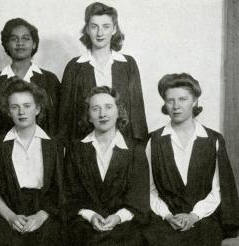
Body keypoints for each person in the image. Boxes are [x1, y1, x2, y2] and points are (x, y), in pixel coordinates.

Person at [143, 73, 239, 245]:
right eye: (170, 100)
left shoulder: (213, 140)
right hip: (164, 219)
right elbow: (149, 189)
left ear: (194, 101)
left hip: (202, 218)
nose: (176, 106)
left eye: (182, 99)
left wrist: (194, 216)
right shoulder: (153, 140)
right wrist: (167, 215)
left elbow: (218, 189)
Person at [64, 86, 149, 245]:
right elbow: (69, 196)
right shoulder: (75, 149)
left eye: (108, 107)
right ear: (89, 116)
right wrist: (91, 216)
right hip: (84, 226)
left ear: (119, 112)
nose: (102, 114)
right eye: (95, 109)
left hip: (124, 226)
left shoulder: (135, 150)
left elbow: (139, 199)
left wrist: (118, 218)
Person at [58, 2, 147, 144]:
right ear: (87, 29)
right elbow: (64, 119)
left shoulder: (128, 64)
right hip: (83, 147)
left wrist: (138, 149)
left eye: (106, 26)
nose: (100, 33)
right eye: (94, 27)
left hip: (123, 146)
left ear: (114, 29)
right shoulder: (74, 67)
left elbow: (137, 113)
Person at [0, 77, 62, 245]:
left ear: (37, 109)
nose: (21, 112)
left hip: (46, 211)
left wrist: (42, 216)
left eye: (27, 106)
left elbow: (61, 190)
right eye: (15, 107)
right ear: (8, 111)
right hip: (11, 210)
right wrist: (10, 217)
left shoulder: (54, 145)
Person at [0, 18, 61, 151]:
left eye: (26, 38)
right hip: (4, 155)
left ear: (34, 44)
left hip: (44, 153)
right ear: (7, 45)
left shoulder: (49, 80)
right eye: (14, 39)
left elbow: (58, 123)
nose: (20, 43)